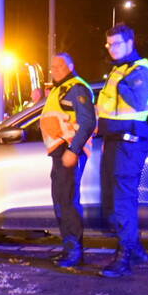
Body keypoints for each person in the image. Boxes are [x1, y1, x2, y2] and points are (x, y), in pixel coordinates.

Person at [97, 23, 148, 278]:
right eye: (108, 44)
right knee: (114, 199)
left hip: (128, 143)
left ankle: (125, 257)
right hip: (115, 142)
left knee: (123, 201)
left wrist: (121, 83)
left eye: (116, 44)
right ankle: (137, 250)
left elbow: (137, 102)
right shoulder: (119, 69)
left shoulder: (139, 70)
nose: (111, 48)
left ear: (130, 43)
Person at [39, 53, 95, 268]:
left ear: (70, 66)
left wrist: (73, 150)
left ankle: (75, 253)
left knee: (68, 202)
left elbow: (88, 122)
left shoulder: (76, 88)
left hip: (70, 151)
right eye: (52, 66)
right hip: (60, 152)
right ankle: (69, 249)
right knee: (61, 201)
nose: (54, 70)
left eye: (59, 66)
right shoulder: (60, 88)